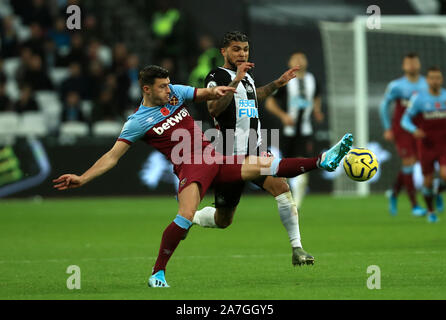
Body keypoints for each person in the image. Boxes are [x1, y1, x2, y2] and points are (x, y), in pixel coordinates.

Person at [53, 65, 353, 287]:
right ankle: (158, 272)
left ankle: (323, 160)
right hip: (190, 165)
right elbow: (112, 156)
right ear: (146, 89)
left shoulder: (174, 95)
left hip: (215, 157)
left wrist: (223, 88)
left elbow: (203, 93)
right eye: (162, 87)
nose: (169, 90)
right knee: (184, 217)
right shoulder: (136, 122)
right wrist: (82, 177)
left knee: (265, 165)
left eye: (169, 85)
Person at [197, 31, 314, 266]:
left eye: (246, 49)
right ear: (224, 52)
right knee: (223, 220)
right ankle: (191, 216)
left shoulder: (247, 77)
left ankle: (297, 248)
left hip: (255, 151)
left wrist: (277, 84)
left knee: (281, 187)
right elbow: (213, 109)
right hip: (229, 156)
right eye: (236, 49)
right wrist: (235, 80)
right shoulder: (216, 76)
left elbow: (254, 97)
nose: (242, 53)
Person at [265, 51, 324, 209]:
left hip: (305, 130)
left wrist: (317, 110)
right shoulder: (285, 82)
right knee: (286, 165)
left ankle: (296, 203)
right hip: (287, 131)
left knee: (302, 161)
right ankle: (288, 197)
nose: (299, 60)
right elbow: (270, 103)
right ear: (289, 62)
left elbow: (317, 97)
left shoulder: (313, 80)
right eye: (295, 58)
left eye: (302, 57)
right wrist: (283, 116)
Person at [379, 53, 428, 216]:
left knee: (414, 163)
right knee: (409, 162)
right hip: (402, 129)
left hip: (421, 129)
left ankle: (394, 192)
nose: (412, 66)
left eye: (414, 62)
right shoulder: (397, 86)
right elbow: (384, 106)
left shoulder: (426, 83)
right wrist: (387, 128)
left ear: (419, 64)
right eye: (409, 63)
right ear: (403, 66)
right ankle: (415, 205)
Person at [401, 66, 446, 223]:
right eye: (432, 78)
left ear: (441, 80)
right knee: (427, 182)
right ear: (427, 80)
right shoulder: (420, 99)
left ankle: (437, 193)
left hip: (444, 145)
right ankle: (431, 210)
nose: (435, 81)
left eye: (438, 78)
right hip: (426, 146)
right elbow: (405, 120)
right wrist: (414, 129)